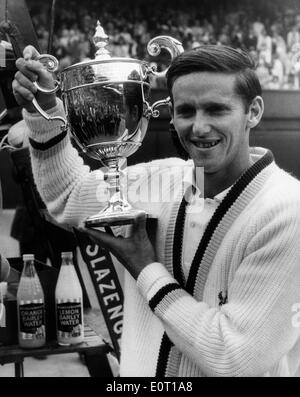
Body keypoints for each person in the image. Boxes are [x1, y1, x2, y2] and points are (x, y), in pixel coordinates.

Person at [12, 44, 300, 377]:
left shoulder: (286, 210)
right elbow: (68, 195)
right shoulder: (159, 180)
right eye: (186, 111)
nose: (200, 127)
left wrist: (145, 268)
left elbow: (232, 357)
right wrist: (44, 108)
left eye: (217, 110)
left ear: (254, 111)